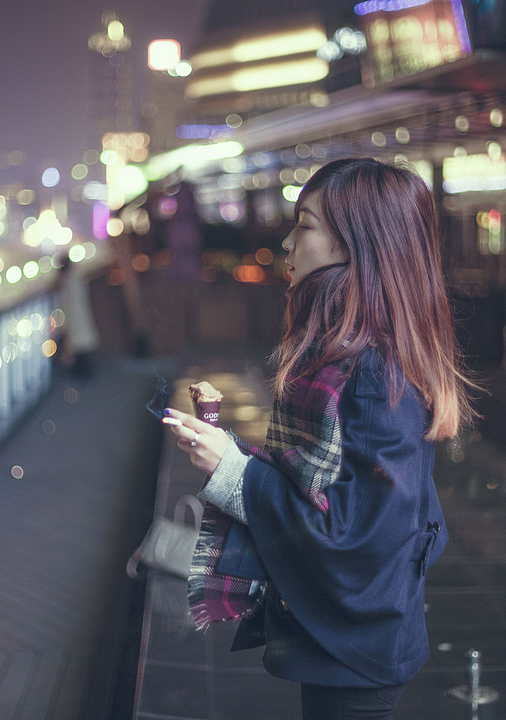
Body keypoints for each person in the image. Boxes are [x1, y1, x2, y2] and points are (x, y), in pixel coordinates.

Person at [163, 157, 477, 719]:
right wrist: (227, 455)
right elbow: (335, 491)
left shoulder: (371, 367)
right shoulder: (349, 351)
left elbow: (356, 530)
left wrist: (234, 470)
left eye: (304, 226)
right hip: (354, 637)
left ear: (355, 243)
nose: (286, 243)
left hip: (357, 648)